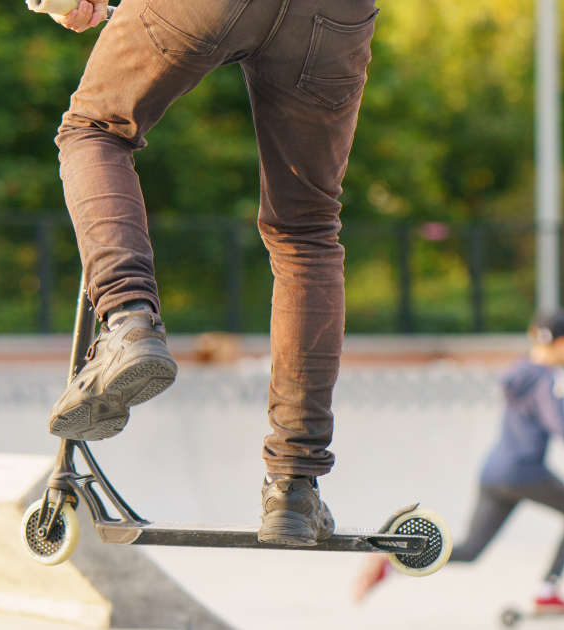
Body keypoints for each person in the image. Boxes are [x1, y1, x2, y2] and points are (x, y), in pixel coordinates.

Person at [44, 0, 379, 546]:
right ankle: (293, 485)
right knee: (307, 231)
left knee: (94, 129)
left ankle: (129, 322)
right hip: (334, 17)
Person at [355, 309, 564, 612]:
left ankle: (392, 561)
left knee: (469, 550)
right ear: (562, 344)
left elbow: (538, 414)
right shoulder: (551, 377)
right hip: (524, 472)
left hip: (494, 472)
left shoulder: (523, 369)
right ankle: (547, 591)